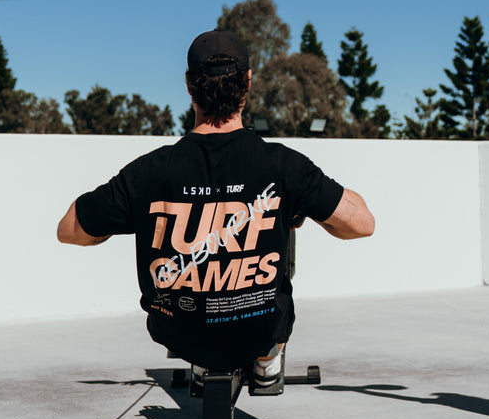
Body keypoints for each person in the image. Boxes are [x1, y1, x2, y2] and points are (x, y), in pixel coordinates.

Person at [58, 29, 374, 390]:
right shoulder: (285, 166)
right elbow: (362, 224)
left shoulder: (148, 172)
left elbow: (69, 231)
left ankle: (204, 360)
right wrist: (307, 213)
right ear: (249, 82)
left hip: (178, 330)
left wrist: (126, 219)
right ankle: (267, 361)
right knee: (280, 284)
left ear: (190, 86)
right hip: (258, 329)